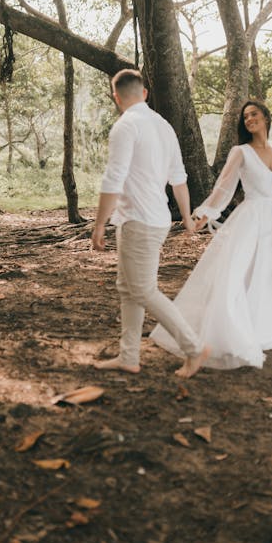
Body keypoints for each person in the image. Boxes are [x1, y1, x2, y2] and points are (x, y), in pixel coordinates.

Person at [150, 99, 272, 370]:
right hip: (249, 220)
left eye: (254, 114)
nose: (249, 119)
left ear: (265, 117)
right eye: (245, 117)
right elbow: (223, 188)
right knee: (237, 276)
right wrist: (204, 214)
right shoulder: (241, 152)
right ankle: (231, 336)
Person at [91, 69, 210, 378]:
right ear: (144, 93)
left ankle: (194, 347)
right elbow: (179, 179)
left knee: (142, 289)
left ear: (116, 97)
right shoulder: (164, 126)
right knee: (128, 288)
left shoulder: (125, 126)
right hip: (153, 219)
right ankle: (128, 356)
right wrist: (185, 217)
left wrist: (99, 224)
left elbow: (113, 178)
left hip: (139, 221)